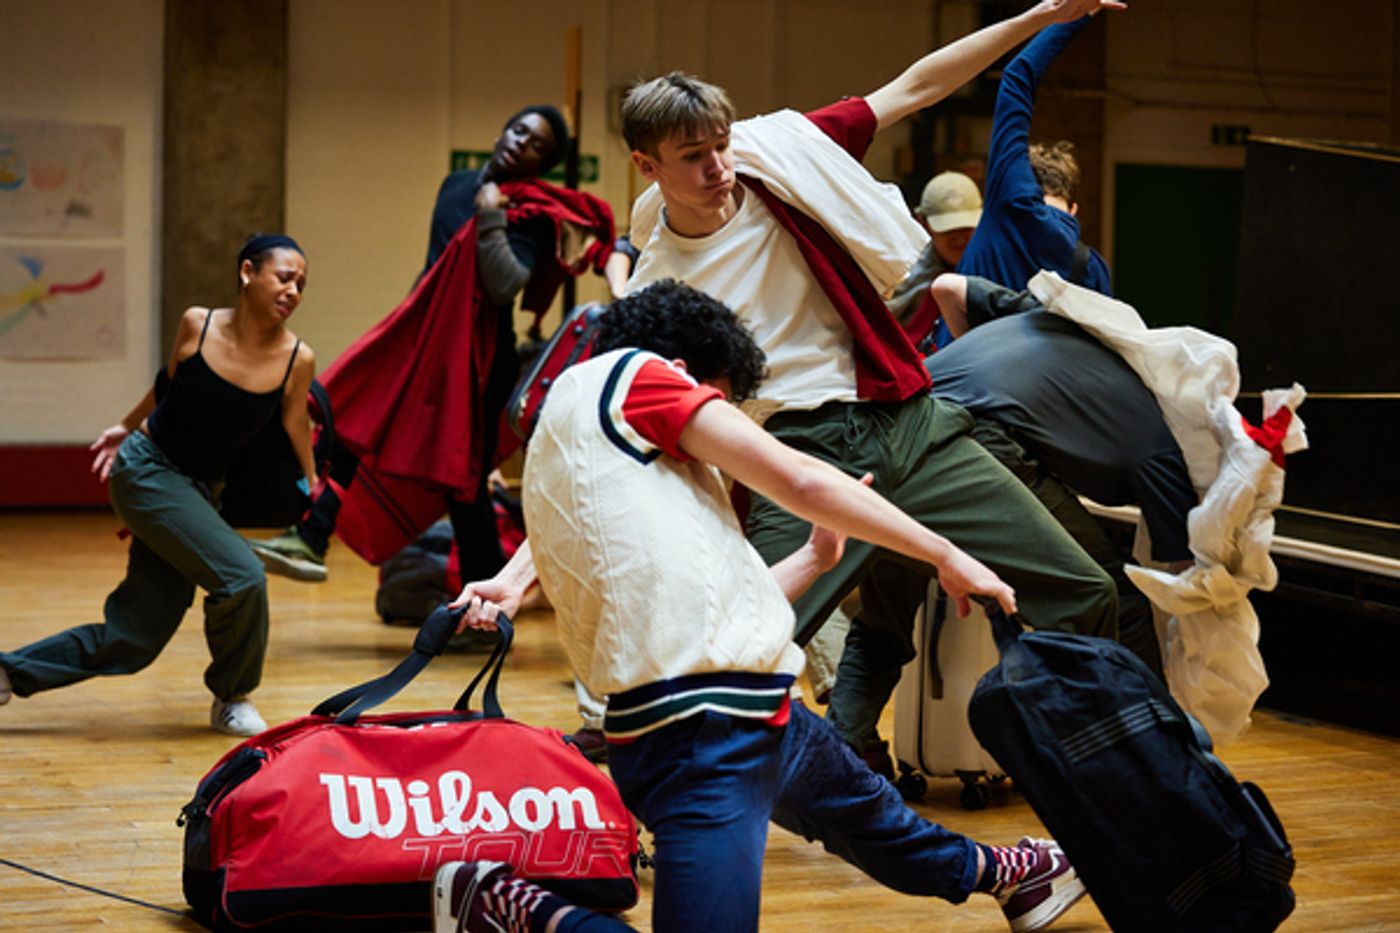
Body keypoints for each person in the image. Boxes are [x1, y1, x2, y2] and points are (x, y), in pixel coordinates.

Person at [433, 280, 1087, 933]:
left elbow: (710, 607)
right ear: (685, 371)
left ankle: (1009, 872)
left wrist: (816, 558)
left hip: (749, 709)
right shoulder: (642, 376)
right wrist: (947, 552)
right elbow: (801, 478)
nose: (715, 416)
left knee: (879, 823)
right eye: (716, 399)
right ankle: (506, 904)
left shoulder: (591, 449)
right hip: (704, 731)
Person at [617, 0, 1124, 765]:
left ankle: (1101, 772)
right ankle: (658, 799)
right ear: (647, 167)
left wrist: (1039, 15)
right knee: (737, 644)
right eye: (693, 157)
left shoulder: (779, 154)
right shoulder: (661, 283)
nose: (719, 166)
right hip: (799, 455)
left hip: (909, 423)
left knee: (1086, 590)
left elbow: (916, 86)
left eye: (722, 145)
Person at [250, 106, 614, 586]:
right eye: (520, 130)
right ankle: (313, 536)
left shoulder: (524, 212)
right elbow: (435, 270)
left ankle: (482, 608)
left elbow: (507, 284)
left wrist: (491, 219)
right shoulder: (456, 185)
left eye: (537, 145)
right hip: (423, 343)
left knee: (461, 486)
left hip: (478, 363)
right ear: (503, 129)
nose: (521, 143)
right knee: (352, 421)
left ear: (541, 164)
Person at [0, 236, 316, 736]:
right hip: (147, 470)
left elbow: (296, 423)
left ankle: (8, 672)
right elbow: (167, 387)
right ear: (248, 272)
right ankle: (233, 696)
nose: (293, 289)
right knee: (243, 578)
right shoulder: (199, 323)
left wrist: (312, 483)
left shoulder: (297, 358)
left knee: (136, 637)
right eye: (284, 276)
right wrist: (126, 426)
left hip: (199, 491)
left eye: (301, 282)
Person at [927, 273, 1198, 675]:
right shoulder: (1165, 448)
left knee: (886, 611)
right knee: (1108, 595)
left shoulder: (1076, 330)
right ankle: (1148, 729)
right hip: (979, 438)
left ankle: (851, 729)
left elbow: (946, 288)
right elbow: (1187, 586)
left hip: (903, 416)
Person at [951, 12, 1111, 335]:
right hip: (1039, 386)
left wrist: (1078, 12)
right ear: (1075, 210)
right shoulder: (1093, 269)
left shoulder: (1011, 198)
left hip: (963, 380)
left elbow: (1016, 77)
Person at [886, 170, 983, 350]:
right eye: (948, 230)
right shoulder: (902, 276)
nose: (959, 239)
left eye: (966, 228)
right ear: (923, 223)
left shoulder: (991, 265)